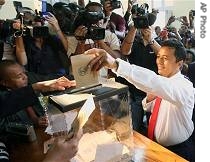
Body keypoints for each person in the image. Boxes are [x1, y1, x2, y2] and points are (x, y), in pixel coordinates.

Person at [85, 39, 194, 161]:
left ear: (179, 63)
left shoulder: (184, 86)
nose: (159, 61)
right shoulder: (163, 81)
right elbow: (149, 107)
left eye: (165, 58)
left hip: (178, 150)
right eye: (158, 57)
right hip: (154, 144)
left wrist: (116, 65)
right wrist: (149, 99)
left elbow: (154, 81)